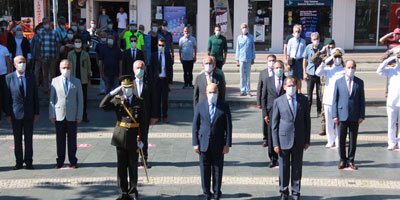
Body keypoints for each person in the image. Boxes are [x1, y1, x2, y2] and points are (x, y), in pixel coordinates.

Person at [99, 75, 145, 200]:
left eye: (130, 87)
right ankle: (122, 193)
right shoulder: (117, 100)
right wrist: (111, 93)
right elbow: (102, 106)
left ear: (133, 87)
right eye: (125, 87)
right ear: (122, 88)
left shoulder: (139, 101)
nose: (127, 89)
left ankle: (133, 192)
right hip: (120, 137)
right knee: (121, 167)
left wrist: (143, 141)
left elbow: (143, 123)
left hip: (134, 137)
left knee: (133, 166)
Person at [272, 76, 310, 200]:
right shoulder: (278, 101)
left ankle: (296, 192)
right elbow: (274, 124)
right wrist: (275, 143)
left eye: (293, 85)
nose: (291, 87)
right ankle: (283, 192)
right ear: (284, 87)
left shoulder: (303, 100)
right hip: (283, 140)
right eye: (289, 85)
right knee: (283, 167)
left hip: (298, 139)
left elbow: (307, 121)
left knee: (297, 167)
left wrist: (307, 140)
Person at [192, 83, 232, 200]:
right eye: (210, 92)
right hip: (204, 143)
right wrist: (195, 143)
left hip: (218, 144)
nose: (212, 94)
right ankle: (206, 193)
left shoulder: (224, 106)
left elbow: (228, 127)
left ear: (218, 93)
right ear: (206, 93)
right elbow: (195, 125)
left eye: (214, 92)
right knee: (204, 169)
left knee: (217, 169)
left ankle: (216, 193)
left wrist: (227, 144)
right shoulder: (200, 105)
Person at [4, 56, 39, 170]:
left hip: (29, 113)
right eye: (20, 62)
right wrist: (8, 114)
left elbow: (35, 96)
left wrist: (36, 112)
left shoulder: (30, 76)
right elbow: (7, 98)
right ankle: (18, 162)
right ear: (14, 65)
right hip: (15, 113)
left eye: (23, 62)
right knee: (17, 139)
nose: (22, 64)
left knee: (29, 139)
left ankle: (29, 161)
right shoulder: (9, 78)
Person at [49, 60, 83, 169]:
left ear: (71, 69)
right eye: (63, 67)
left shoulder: (76, 82)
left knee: (72, 139)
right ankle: (60, 160)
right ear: (59, 69)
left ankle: (73, 160)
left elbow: (80, 100)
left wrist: (79, 115)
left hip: (72, 115)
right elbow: (51, 99)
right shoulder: (55, 81)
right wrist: (51, 114)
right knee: (60, 139)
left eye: (68, 67)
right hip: (59, 114)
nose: (66, 69)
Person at [333, 60, 365, 170]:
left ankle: (351, 160)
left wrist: (362, 115)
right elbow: (335, 100)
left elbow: (362, 100)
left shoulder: (359, 82)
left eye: (353, 67)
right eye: (349, 67)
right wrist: (334, 115)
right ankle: (342, 159)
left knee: (353, 139)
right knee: (341, 139)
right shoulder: (338, 82)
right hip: (342, 114)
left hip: (354, 115)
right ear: (345, 68)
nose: (350, 69)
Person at [315, 48, 345, 148]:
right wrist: (325, 61)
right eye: (335, 57)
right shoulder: (328, 69)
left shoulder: (344, 70)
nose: (337, 59)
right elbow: (317, 72)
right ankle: (330, 140)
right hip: (328, 100)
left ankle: (338, 141)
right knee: (328, 122)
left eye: (338, 57)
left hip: (339, 100)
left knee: (338, 122)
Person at [261, 60, 286, 168]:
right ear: (273, 69)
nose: (279, 70)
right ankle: (273, 158)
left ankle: (282, 157)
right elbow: (264, 97)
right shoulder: (268, 80)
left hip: (284, 112)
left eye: (280, 68)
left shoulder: (287, 81)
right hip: (271, 111)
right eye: (277, 68)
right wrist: (265, 114)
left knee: (283, 134)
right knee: (271, 135)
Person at [377, 50, 400, 150]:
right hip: (392, 101)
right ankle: (391, 142)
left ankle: (399, 142)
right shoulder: (391, 69)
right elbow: (379, 71)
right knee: (391, 123)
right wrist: (389, 60)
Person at [312, 39, 336, 135]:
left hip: (334, 85)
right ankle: (323, 126)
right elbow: (313, 59)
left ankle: (334, 127)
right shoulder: (323, 57)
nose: (330, 48)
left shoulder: (337, 57)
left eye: (332, 46)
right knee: (323, 106)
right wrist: (322, 51)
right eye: (329, 47)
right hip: (324, 84)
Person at [133, 60, 152, 168]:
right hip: (133, 116)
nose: (139, 70)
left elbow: (154, 100)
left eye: (141, 67)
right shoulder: (130, 84)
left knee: (144, 137)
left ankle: (144, 158)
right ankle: (133, 159)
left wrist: (154, 115)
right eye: (137, 68)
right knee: (133, 138)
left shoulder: (148, 83)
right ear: (133, 70)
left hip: (145, 115)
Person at [67, 36, 91, 123]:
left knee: (83, 99)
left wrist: (89, 80)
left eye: (79, 41)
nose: (78, 43)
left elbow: (89, 68)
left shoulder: (85, 54)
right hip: (73, 80)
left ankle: (84, 115)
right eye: (76, 42)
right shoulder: (70, 54)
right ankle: (73, 115)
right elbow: (67, 67)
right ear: (73, 44)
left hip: (83, 80)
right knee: (73, 99)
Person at [149, 38, 173, 124]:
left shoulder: (167, 56)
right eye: (160, 45)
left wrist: (170, 82)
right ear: (157, 45)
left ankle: (165, 116)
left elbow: (170, 69)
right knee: (156, 99)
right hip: (156, 81)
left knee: (165, 99)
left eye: (162, 45)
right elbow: (151, 69)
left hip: (165, 80)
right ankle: (157, 116)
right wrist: (151, 81)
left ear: (165, 46)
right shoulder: (153, 55)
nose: (161, 47)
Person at [257, 54, 276, 147]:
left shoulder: (278, 72)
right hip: (266, 101)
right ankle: (266, 139)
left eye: (273, 60)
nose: (271, 62)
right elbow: (259, 88)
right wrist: (259, 102)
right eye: (270, 60)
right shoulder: (263, 73)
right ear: (267, 61)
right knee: (265, 119)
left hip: (275, 101)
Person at [38, 17, 61, 93]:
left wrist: (58, 55)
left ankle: (53, 88)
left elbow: (58, 44)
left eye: (47, 22)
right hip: (44, 56)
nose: (46, 24)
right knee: (44, 73)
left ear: (49, 23)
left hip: (53, 56)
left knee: (53, 73)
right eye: (44, 23)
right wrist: (39, 55)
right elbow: (38, 44)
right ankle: (45, 88)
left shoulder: (54, 32)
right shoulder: (40, 32)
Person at [303, 32, 323, 115]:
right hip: (310, 72)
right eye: (314, 39)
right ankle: (308, 111)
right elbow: (305, 60)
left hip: (319, 73)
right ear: (311, 40)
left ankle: (319, 110)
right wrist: (304, 72)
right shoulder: (308, 48)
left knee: (319, 93)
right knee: (309, 94)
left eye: (317, 39)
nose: (316, 41)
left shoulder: (322, 47)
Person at [236, 23, 255, 96]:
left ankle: (248, 90)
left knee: (248, 75)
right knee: (242, 75)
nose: (244, 29)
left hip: (249, 58)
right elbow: (238, 48)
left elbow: (253, 48)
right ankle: (242, 90)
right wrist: (237, 60)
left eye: (245, 27)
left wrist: (253, 58)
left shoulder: (251, 37)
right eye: (243, 27)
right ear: (241, 29)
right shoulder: (239, 38)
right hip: (241, 58)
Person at [286, 24, 306, 94]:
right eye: (296, 31)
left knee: (299, 78)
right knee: (292, 77)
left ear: (300, 32)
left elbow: (304, 53)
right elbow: (288, 53)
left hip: (300, 60)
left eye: (298, 31)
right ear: (293, 33)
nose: (297, 33)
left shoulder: (303, 41)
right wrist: (288, 63)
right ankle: (292, 90)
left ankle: (299, 91)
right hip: (292, 61)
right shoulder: (290, 41)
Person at [0, 42, 11, 116]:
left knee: (4, 93)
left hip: (3, 74)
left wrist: (9, 74)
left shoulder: (4, 49)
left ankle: (5, 110)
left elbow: (8, 62)